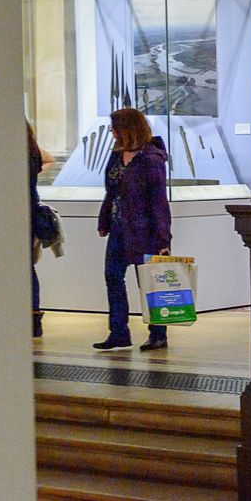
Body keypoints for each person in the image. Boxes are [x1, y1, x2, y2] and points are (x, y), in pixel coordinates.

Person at [94, 107, 173, 353]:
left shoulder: (151, 158)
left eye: (115, 128)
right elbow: (111, 192)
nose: (112, 133)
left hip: (145, 230)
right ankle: (118, 332)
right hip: (119, 228)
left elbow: (158, 201)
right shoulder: (117, 156)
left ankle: (158, 334)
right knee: (113, 276)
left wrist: (163, 237)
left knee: (149, 281)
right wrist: (104, 220)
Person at [27, 121, 55, 339]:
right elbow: (48, 160)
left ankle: (33, 317)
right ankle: (34, 317)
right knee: (28, 266)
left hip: (23, 211)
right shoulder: (32, 148)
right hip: (31, 209)